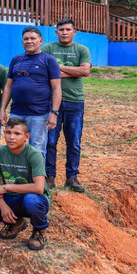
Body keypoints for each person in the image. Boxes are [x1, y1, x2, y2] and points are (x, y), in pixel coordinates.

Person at [0, 117, 50, 251]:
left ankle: (39, 229)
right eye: (8, 132)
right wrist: (2, 206)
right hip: (9, 198)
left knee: (31, 200)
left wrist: (8, 187)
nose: (11, 137)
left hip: (32, 197)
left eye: (17, 134)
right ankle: (16, 222)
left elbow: (38, 188)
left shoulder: (34, 155)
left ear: (26, 136)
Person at [42, 19, 91, 192]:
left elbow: (85, 71)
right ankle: (49, 176)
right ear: (56, 32)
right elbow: (44, 71)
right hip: (52, 102)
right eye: (61, 29)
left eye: (68, 29)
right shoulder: (48, 49)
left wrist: (57, 68)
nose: (64, 32)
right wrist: (73, 70)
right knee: (50, 141)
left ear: (74, 32)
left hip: (75, 101)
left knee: (74, 141)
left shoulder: (81, 49)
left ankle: (72, 177)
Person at [0, 27, 62, 160]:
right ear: (22, 41)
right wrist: (2, 110)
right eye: (26, 39)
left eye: (33, 38)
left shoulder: (49, 60)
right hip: (17, 112)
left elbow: (57, 89)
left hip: (39, 114)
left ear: (41, 40)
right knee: (14, 146)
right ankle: (16, 177)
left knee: (37, 149)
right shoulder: (16, 60)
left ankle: (38, 180)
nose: (29, 41)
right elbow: (8, 86)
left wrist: (54, 113)